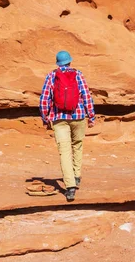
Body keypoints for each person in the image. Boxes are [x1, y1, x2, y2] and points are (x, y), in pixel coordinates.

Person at [39, 50, 95, 202]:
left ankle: (70, 187)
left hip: (59, 118)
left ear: (57, 63)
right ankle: (76, 176)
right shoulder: (78, 74)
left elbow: (45, 98)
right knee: (77, 145)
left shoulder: (52, 76)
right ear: (70, 61)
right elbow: (86, 95)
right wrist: (91, 116)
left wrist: (46, 118)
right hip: (78, 116)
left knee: (64, 152)